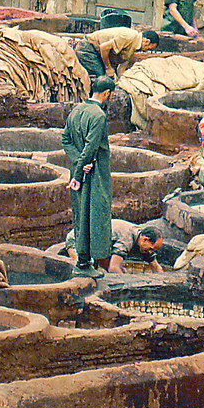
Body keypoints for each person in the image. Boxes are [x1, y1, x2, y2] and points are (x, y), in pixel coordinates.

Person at [62, 76, 116, 278]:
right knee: (95, 215)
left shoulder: (76, 110)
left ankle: (84, 261)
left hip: (80, 169)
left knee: (80, 215)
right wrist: (81, 169)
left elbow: (65, 139)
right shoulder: (98, 116)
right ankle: (85, 262)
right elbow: (91, 148)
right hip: (94, 175)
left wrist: (77, 162)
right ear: (107, 93)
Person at [54, 220, 163, 273]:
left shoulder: (140, 237)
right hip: (77, 240)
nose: (150, 252)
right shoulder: (127, 239)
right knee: (84, 270)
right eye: (151, 249)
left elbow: (155, 266)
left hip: (99, 245)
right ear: (145, 239)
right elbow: (113, 268)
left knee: (122, 271)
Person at [76, 27, 159, 81]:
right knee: (102, 79)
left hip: (98, 53)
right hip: (88, 48)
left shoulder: (133, 48)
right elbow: (104, 48)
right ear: (146, 41)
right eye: (148, 48)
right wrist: (108, 68)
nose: (145, 51)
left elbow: (121, 70)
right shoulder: (129, 36)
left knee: (110, 80)